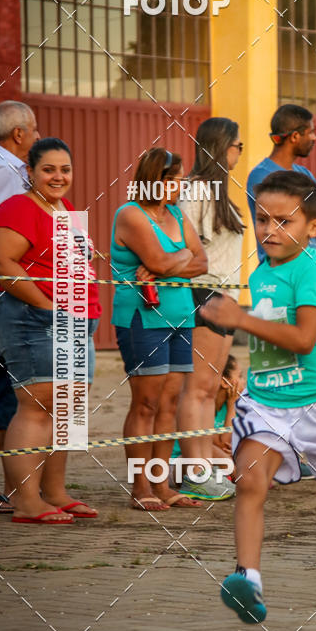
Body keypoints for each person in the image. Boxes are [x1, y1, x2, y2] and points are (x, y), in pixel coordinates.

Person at [199, 170, 316, 624]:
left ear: (314, 227)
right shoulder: (263, 269)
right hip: (267, 401)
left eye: (283, 221)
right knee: (249, 481)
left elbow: (305, 339)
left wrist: (240, 319)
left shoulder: (314, 271)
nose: (270, 230)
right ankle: (248, 580)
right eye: (263, 220)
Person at [0, 137, 101, 524]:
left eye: (65, 169)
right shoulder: (17, 207)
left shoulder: (66, 209)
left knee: (67, 411)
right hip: (34, 318)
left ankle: (54, 492)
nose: (58, 176)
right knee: (37, 407)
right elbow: (0, 259)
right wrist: (46, 304)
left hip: (76, 319)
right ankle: (27, 501)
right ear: (30, 172)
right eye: (48, 169)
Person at [112, 147, 207, 511]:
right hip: (143, 318)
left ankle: (162, 484)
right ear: (153, 179)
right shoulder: (130, 214)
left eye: (181, 181)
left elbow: (203, 262)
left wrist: (174, 261)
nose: (178, 188)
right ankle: (141, 487)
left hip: (181, 315)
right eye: (173, 181)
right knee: (146, 403)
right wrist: (178, 258)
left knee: (169, 402)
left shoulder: (178, 215)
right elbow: (159, 261)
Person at [175, 118, 244, 502]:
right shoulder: (196, 190)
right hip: (202, 294)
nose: (239, 153)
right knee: (197, 389)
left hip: (226, 297)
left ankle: (203, 467)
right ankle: (193, 470)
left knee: (208, 388)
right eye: (237, 146)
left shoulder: (217, 191)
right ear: (221, 147)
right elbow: (183, 247)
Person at [0, 101, 39, 514]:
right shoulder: (0, 172)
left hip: (6, 297)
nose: (37, 137)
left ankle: (12, 484)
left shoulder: (11, 170)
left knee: (5, 396)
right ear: (18, 133)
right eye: (34, 131)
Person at [246, 104, 316, 262]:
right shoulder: (261, 175)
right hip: (279, 271)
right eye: (311, 132)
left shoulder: (305, 174)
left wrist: (300, 221)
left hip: (310, 267)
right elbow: (283, 227)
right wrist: (308, 219)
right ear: (295, 137)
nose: (315, 138)